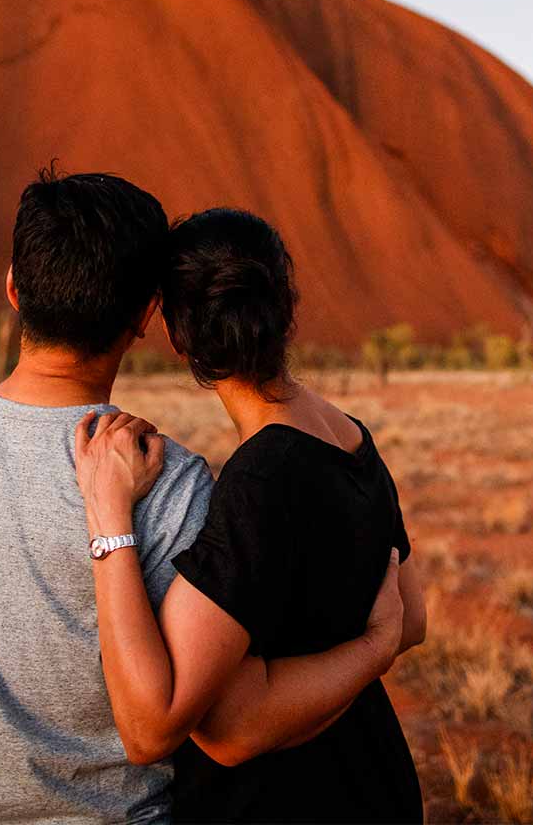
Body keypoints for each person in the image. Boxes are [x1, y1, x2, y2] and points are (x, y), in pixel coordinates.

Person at [0, 171, 404, 825]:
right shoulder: (168, 481)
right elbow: (215, 722)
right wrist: (378, 645)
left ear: (12, 286)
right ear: (146, 316)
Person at [74, 206, 426, 823]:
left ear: (180, 339)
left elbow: (211, 731)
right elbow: (412, 616)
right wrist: (373, 646)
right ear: (286, 306)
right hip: (377, 780)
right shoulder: (352, 440)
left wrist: (109, 514)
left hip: (286, 803)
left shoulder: (261, 479)